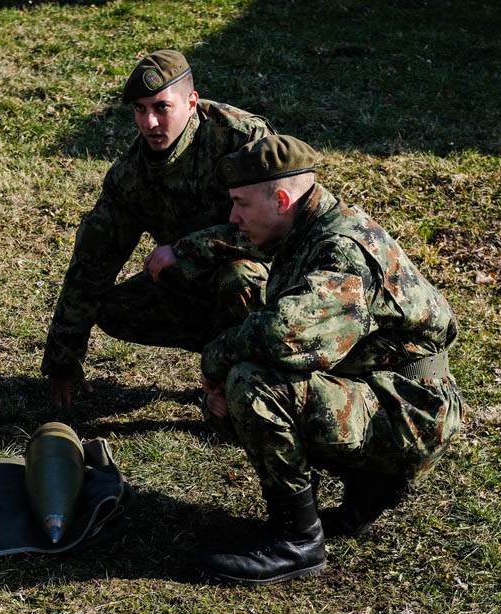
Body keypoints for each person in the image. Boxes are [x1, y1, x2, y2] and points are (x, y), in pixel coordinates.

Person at [196, 135, 464, 584]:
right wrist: (177, 255)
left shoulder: (340, 249)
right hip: (387, 391)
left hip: (411, 413)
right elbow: (233, 242)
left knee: (254, 384)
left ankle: (296, 541)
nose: (233, 216)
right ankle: (370, 487)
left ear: (281, 199)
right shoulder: (306, 223)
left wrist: (214, 359)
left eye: (241, 204)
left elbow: (286, 336)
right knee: (254, 364)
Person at [41, 49, 272, 409]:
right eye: (139, 109)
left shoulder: (241, 141)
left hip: (266, 277)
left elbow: (275, 230)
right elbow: (91, 264)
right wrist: (62, 359)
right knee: (115, 307)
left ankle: (259, 384)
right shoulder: (131, 176)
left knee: (239, 278)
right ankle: (222, 355)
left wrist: (185, 249)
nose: (149, 123)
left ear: (192, 102)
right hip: (193, 282)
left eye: (161, 107)